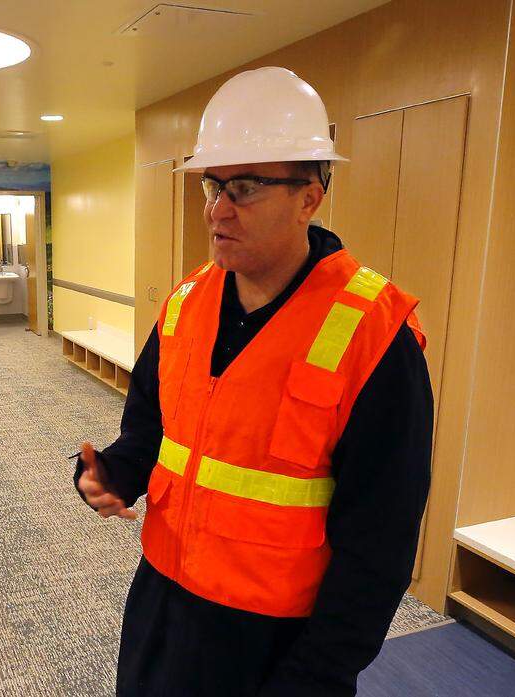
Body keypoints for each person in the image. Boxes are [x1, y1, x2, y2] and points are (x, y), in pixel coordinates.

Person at [74, 66, 433, 696]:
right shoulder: (186, 302)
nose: (218, 210)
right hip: (163, 605)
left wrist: (317, 676)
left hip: (275, 641)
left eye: (245, 187)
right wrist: (115, 473)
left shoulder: (375, 336)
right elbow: (151, 433)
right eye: (213, 186)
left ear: (309, 198)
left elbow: (379, 544)